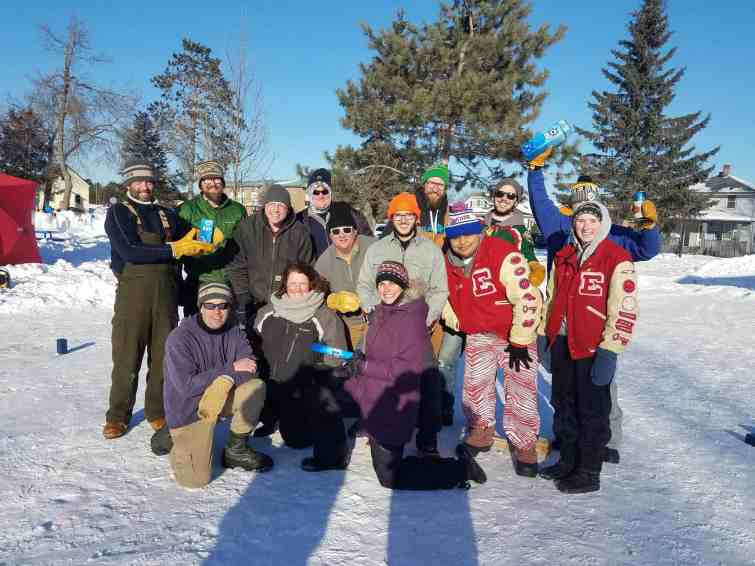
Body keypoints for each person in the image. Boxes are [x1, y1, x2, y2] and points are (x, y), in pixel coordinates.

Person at [301, 261, 487, 490]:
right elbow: (375, 353)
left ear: (403, 286)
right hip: (367, 388)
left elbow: (404, 371)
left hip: (391, 402)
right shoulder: (381, 311)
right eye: (382, 283)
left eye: (392, 283)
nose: (386, 288)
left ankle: (460, 469)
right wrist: (354, 363)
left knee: (390, 477)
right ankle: (332, 456)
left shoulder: (412, 320)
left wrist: (364, 366)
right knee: (322, 392)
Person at [527, 149, 660, 463]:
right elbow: (540, 202)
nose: (585, 223)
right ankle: (567, 435)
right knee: (563, 386)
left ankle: (607, 440)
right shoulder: (561, 228)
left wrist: (647, 226)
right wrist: (535, 169)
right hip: (561, 320)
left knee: (602, 385)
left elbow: (647, 248)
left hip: (595, 323)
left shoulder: (611, 234)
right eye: (577, 194)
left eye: (589, 195)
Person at [103, 162, 214, 440]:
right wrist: (175, 247)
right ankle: (118, 415)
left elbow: (191, 242)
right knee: (127, 357)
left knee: (164, 357)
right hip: (133, 296)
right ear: (128, 184)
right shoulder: (118, 213)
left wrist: (204, 241)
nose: (145, 187)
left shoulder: (167, 215)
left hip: (166, 294)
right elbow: (131, 250)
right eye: (139, 182)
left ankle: (156, 411)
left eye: (149, 182)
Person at [537, 201, 638, 493]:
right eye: (581, 220)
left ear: (603, 223)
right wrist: (545, 332)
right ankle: (568, 460)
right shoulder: (564, 255)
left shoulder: (616, 258)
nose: (586, 227)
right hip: (563, 343)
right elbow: (552, 296)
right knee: (563, 405)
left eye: (592, 221)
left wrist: (611, 349)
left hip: (594, 347)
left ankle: (588, 470)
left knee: (592, 411)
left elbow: (625, 309)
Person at [441, 206, 543, 476]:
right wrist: (460, 322)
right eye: (455, 236)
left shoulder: (504, 254)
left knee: (521, 390)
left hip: (514, 334)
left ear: (480, 232)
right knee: (475, 385)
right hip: (479, 334)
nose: (462, 241)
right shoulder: (446, 262)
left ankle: (524, 442)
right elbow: (444, 299)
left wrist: (521, 340)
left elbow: (528, 299)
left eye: (468, 234)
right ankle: (481, 427)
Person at [357, 192, 448, 456]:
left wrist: (429, 317)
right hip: (383, 325)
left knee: (428, 380)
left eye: (409, 215)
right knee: (379, 378)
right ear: (392, 217)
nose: (404, 220)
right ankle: (377, 425)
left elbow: (439, 289)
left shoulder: (429, 250)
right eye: (399, 215)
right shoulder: (377, 249)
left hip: (415, 327)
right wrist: (373, 310)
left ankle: (427, 437)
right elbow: (364, 284)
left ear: (416, 218)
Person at [159, 282, 273, 488]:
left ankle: (235, 450)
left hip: (218, 399)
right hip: (188, 409)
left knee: (255, 387)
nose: (217, 312)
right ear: (201, 307)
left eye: (223, 306)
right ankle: (175, 439)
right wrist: (230, 370)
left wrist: (225, 381)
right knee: (196, 481)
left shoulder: (234, 331)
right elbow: (186, 387)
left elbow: (250, 368)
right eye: (210, 305)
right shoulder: (179, 338)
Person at [253, 262, 348, 447]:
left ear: (311, 284)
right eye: (292, 283)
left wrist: (316, 355)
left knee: (297, 441)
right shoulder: (268, 311)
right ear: (285, 285)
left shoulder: (324, 315)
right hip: (268, 382)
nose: (297, 288)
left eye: (302, 283)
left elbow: (338, 352)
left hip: (300, 388)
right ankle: (269, 417)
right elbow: (254, 341)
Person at [228, 184, 314, 328]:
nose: (275, 209)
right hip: (252, 301)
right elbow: (237, 265)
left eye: (281, 205)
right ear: (265, 205)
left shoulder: (300, 233)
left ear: (288, 208)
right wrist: (243, 296)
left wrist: (294, 298)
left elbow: (306, 269)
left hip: (286, 303)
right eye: (272, 204)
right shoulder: (247, 228)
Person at [178, 160, 247, 315]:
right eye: (207, 179)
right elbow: (177, 246)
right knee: (196, 329)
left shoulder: (237, 210)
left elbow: (245, 245)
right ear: (201, 184)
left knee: (227, 327)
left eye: (217, 179)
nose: (213, 183)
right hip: (198, 280)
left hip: (229, 281)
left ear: (222, 183)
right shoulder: (187, 209)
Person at [315, 202, 377, 349]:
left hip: (380, 319)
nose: (342, 235)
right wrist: (332, 300)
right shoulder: (324, 261)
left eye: (347, 229)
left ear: (355, 231)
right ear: (330, 235)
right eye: (336, 231)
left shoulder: (374, 247)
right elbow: (316, 294)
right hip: (349, 325)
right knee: (355, 364)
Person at [300, 168, 372, 258]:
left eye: (325, 191)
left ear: (330, 192)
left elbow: (367, 239)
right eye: (316, 192)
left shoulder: (346, 210)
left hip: (348, 268)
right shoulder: (300, 219)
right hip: (315, 270)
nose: (321, 196)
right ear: (310, 194)